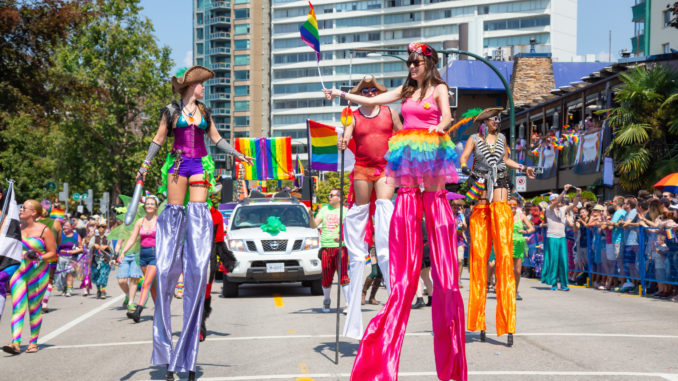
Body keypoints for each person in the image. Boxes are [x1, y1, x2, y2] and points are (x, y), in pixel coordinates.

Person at [324, 42, 466, 381]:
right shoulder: (406, 89)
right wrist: (342, 94)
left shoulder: (438, 87)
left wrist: (438, 128)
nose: (412, 67)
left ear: (428, 63)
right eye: (410, 63)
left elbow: (448, 116)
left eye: (417, 63)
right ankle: (403, 269)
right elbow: (373, 100)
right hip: (406, 150)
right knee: (403, 202)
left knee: (433, 204)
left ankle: (442, 266)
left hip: (430, 148)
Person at [137, 65, 254, 380]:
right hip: (177, 165)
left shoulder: (205, 110)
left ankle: (197, 257)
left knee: (199, 217)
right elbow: (159, 140)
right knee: (175, 215)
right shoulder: (170, 111)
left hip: (200, 165)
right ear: (191, 86)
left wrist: (237, 155)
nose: (204, 88)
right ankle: (172, 259)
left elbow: (216, 139)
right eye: (201, 84)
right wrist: (145, 165)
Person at [459, 107, 536, 346]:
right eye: (494, 119)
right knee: (480, 257)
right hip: (481, 182)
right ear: (484, 121)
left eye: (499, 119)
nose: (497, 122)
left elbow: (505, 160)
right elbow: (464, 158)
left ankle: (506, 321)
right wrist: (465, 171)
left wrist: (523, 168)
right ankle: (478, 320)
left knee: (504, 255)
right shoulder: (474, 138)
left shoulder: (502, 139)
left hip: (501, 183)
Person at [339, 75, 402, 340]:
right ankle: (358, 258)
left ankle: (386, 258)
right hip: (363, 169)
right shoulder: (352, 115)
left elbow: (402, 134)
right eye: (365, 90)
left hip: (386, 168)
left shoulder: (389, 110)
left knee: (385, 208)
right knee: (359, 214)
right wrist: (342, 142)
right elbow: (347, 137)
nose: (369, 93)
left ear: (378, 93)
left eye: (373, 90)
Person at [2, 200, 56, 354]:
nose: (21, 209)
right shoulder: (15, 228)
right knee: (17, 307)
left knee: (34, 308)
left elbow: (52, 252)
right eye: (21, 207)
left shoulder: (44, 230)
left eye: (24, 208)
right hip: (18, 273)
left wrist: (39, 257)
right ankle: (15, 343)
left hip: (38, 274)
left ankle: (33, 342)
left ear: (34, 212)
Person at [119, 196, 160, 322]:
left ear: (156, 207)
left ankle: (138, 311)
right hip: (143, 256)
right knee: (152, 285)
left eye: (152, 204)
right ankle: (160, 312)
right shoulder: (140, 221)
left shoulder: (160, 221)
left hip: (155, 255)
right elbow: (132, 238)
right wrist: (123, 252)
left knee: (145, 283)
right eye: (147, 204)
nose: (149, 206)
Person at [309, 188, 349, 313]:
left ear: (340, 197)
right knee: (326, 276)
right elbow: (313, 225)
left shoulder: (346, 211)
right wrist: (311, 216)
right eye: (329, 194)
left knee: (343, 276)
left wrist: (342, 236)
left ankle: (348, 303)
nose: (329, 197)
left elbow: (351, 228)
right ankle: (326, 300)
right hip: (326, 247)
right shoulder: (324, 210)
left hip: (341, 247)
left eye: (332, 195)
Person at [541, 186, 581, 291]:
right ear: (551, 201)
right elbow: (556, 202)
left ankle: (564, 283)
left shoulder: (563, 209)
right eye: (555, 199)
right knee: (553, 260)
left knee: (563, 260)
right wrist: (564, 191)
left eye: (558, 199)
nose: (559, 201)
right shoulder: (548, 209)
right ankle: (553, 283)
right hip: (552, 237)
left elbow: (575, 204)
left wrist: (578, 194)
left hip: (562, 237)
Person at [509, 197, 534, 301]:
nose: (512, 207)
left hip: (519, 244)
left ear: (517, 206)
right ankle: (506, 290)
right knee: (507, 270)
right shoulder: (504, 216)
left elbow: (532, 228)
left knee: (518, 271)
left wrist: (525, 232)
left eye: (514, 205)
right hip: (507, 244)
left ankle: (515, 291)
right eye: (510, 205)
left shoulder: (521, 216)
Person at [55, 220, 82, 296]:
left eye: (67, 225)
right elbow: (56, 246)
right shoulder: (60, 235)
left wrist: (72, 252)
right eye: (64, 225)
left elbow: (81, 248)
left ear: (72, 227)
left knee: (69, 272)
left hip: (72, 258)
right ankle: (64, 288)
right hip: (61, 258)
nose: (64, 227)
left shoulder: (76, 235)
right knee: (62, 275)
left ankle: (69, 290)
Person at [88, 223, 112, 299]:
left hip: (105, 259)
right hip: (95, 259)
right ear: (97, 228)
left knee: (104, 274)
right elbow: (89, 246)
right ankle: (98, 290)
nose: (101, 228)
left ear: (105, 229)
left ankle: (103, 291)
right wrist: (94, 245)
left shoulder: (108, 238)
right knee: (96, 275)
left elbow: (112, 249)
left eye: (103, 227)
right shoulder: (94, 238)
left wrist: (107, 246)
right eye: (99, 226)